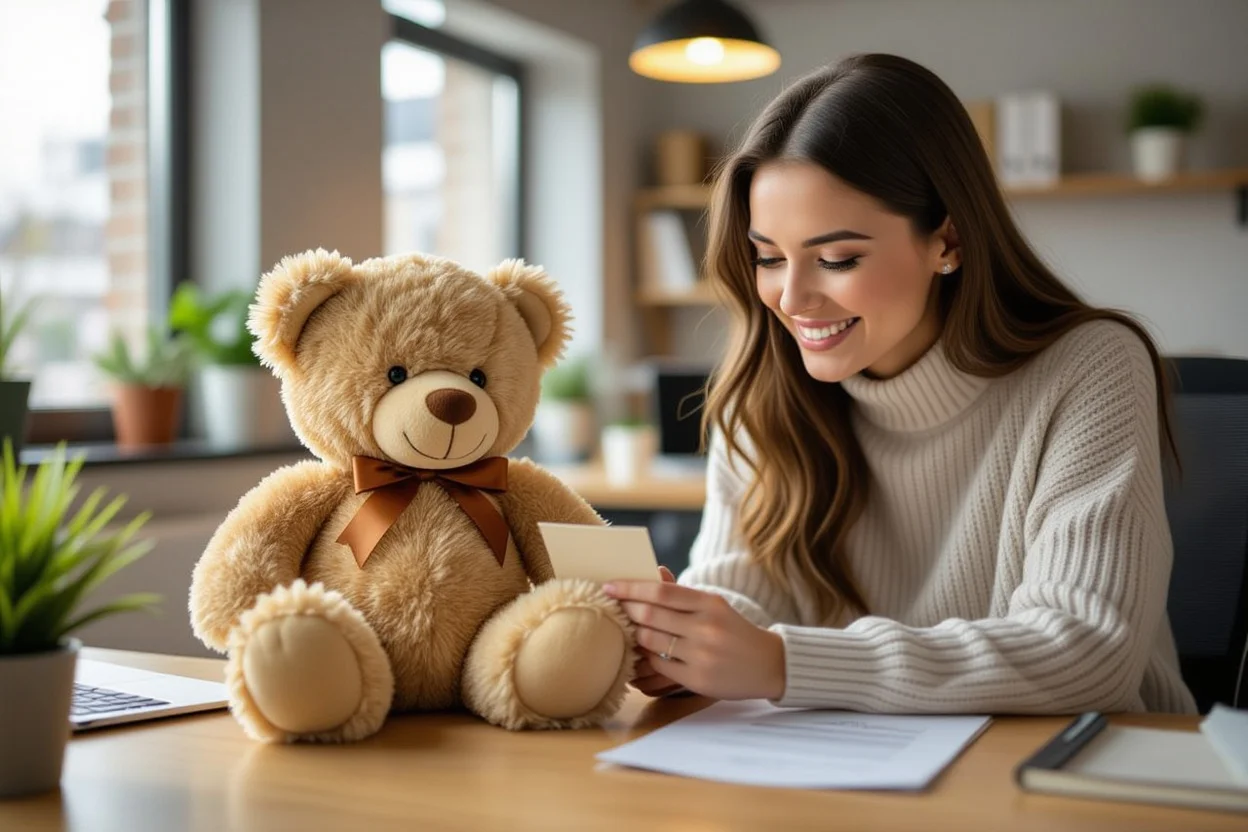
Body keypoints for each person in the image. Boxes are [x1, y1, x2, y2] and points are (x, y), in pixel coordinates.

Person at [604, 53, 1197, 714]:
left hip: (1084, 774)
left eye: (837, 258)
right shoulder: (764, 392)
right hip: (851, 775)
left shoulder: (1091, 368)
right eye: (768, 257)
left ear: (947, 239)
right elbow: (745, 594)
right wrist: (693, 644)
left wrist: (779, 661)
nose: (791, 296)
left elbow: (1088, 651)